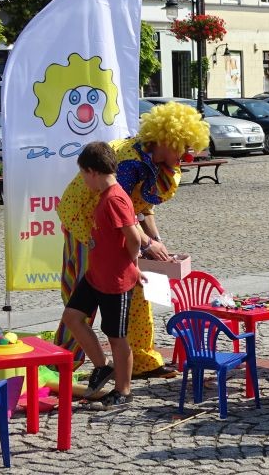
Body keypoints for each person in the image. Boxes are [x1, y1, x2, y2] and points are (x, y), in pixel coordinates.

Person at [55, 102, 209, 378]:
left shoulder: (158, 162)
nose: (188, 153)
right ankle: (61, 365)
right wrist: (148, 245)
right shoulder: (129, 162)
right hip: (86, 223)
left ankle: (141, 361)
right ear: (165, 140)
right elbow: (123, 210)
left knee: (137, 291)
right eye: (183, 146)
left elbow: (141, 207)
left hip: (118, 227)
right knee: (82, 299)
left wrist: (156, 241)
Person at [61, 142, 146, 408]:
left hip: (115, 281)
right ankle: (102, 366)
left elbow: (134, 238)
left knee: (116, 337)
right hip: (95, 275)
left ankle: (123, 390)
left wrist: (130, 264)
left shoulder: (114, 199)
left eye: (83, 174)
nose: (83, 180)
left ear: (92, 171)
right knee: (72, 317)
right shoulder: (105, 195)